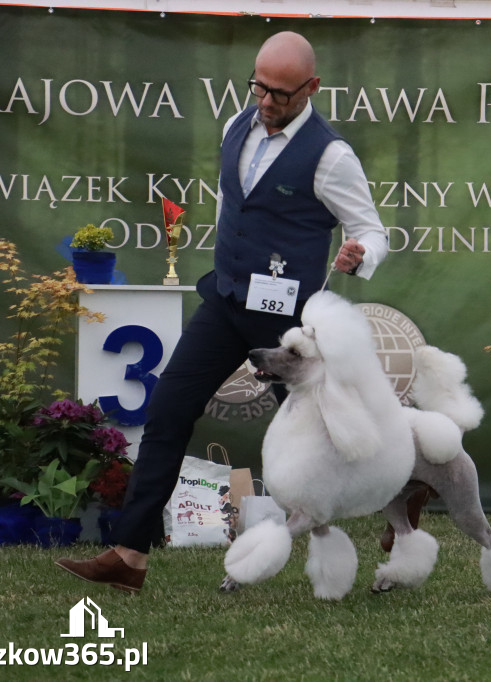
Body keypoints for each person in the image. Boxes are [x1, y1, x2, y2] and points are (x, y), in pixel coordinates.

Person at [56, 31, 389, 594]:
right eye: (259, 86)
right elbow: (235, 203)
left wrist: (362, 256)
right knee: (166, 413)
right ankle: (130, 555)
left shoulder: (331, 155)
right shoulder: (238, 123)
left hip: (287, 326)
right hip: (226, 301)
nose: (266, 101)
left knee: (335, 437)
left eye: (281, 93)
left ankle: (398, 515)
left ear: (311, 88)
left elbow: (371, 229)